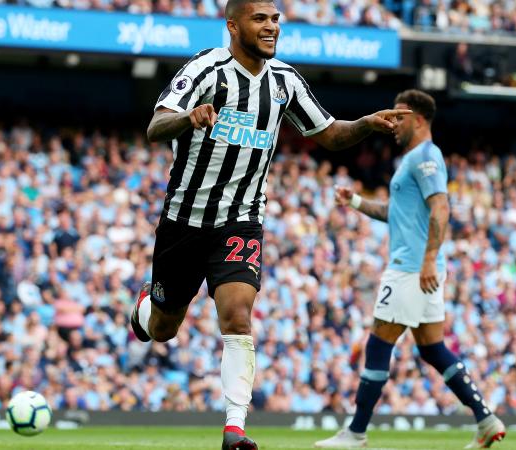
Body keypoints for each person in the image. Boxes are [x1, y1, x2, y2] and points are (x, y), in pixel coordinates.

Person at [130, 1, 412, 449]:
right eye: (260, 19)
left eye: (275, 19)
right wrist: (190, 116)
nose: (271, 27)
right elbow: (156, 125)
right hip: (184, 220)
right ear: (233, 25)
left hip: (241, 220)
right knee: (163, 328)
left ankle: (235, 428)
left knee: (238, 316)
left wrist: (365, 124)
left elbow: (328, 133)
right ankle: (146, 306)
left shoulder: (285, 81)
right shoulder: (206, 70)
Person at [314, 90, 507, 449]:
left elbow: (441, 208)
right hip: (423, 267)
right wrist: (354, 201)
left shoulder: (426, 157)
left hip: (412, 268)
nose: (392, 125)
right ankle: (485, 419)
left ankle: (355, 432)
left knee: (378, 344)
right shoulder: (412, 161)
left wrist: (430, 258)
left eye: (398, 118)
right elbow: (394, 213)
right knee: (432, 348)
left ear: (417, 119)